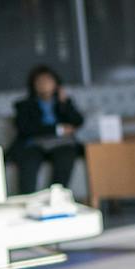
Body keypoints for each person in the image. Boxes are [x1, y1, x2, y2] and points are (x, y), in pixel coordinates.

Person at [10, 64, 85, 194]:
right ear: (33, 85)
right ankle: (28, 201)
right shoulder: (24, 105)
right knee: (28, 162)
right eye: (40, 81)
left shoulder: (64, 102)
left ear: (56, 83)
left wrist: (64, 103)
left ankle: (56, 199)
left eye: (48, 81)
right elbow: (26, 129)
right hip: (34, 144)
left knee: (66, 157)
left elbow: (78, 122)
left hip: (62, 144)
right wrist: (58, 129)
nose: (44, 84)